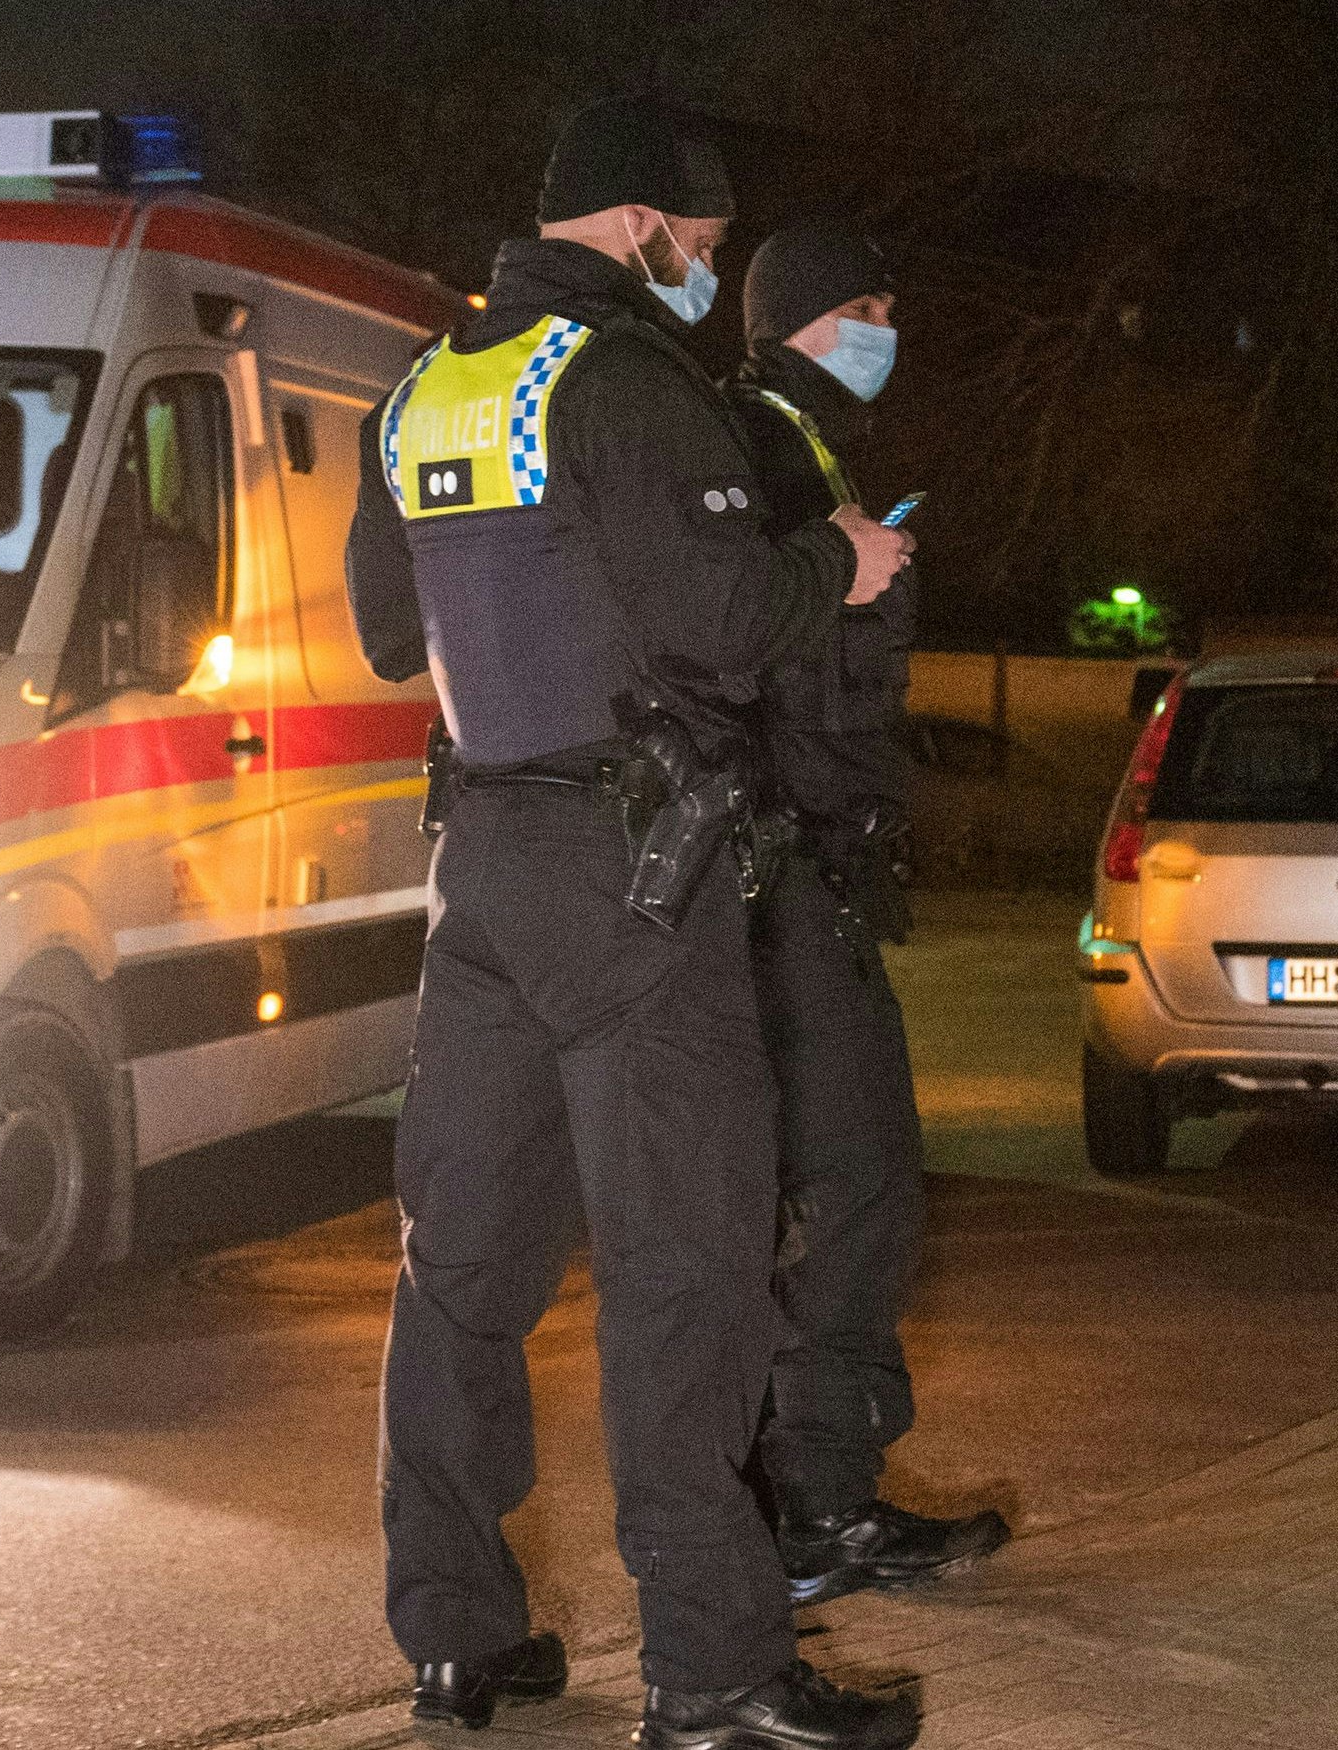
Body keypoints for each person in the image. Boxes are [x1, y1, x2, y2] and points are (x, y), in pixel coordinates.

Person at [347, 95, 922, 1750]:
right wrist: (845, 568)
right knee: (685, 1276)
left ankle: (454, 1635)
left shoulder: (428, 388)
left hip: (486, 881)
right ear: (634, 224)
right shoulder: (626, 385)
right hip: (638, 874)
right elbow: (731, 618)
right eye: (706, 241)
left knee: (458, 1267)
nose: (709, 266)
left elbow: (395, 634)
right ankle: (721, 1679)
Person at [718, 222, 1013, 1603]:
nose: (888, 326)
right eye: (869, 304)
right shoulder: (767, 442)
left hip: (811, 860)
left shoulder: (809, 442)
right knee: (853, 1187)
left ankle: (821, 1493)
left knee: (849, 1187)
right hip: (784, 867)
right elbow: (762, 655)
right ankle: (810, 1509)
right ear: (806, 317)